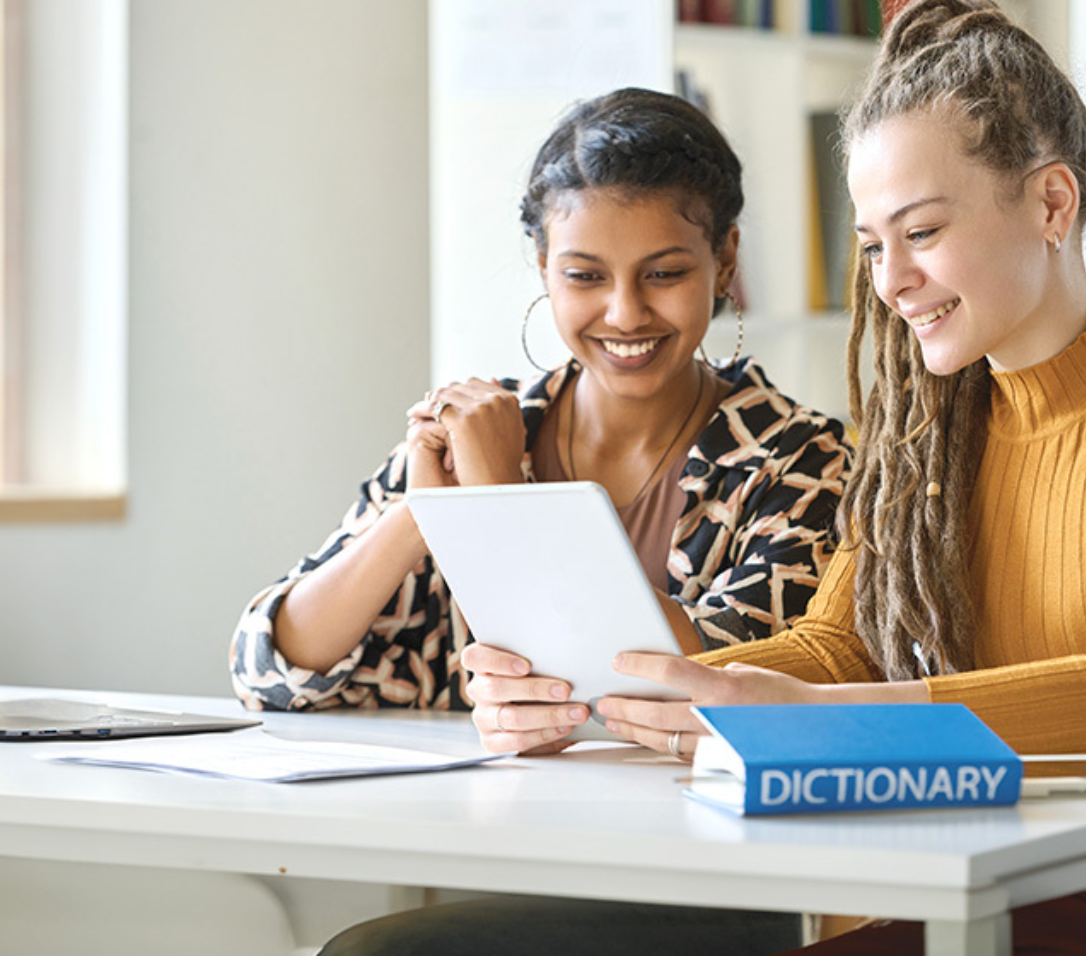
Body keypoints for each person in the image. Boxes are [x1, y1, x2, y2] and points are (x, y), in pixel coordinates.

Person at [462, 2, 1086, 953]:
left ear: (1052, 204)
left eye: (922, 232)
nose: (890, 279)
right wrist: (607, 692)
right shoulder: (921, 436)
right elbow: (837, 650)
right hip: (942, 887)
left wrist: (827, 724)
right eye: (873, 244)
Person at [230, 88, 849, 731]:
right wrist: (430, 512)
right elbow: (267, 671)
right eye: (585, 276)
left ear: (724, 261)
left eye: (663, 274)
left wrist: (498, 505)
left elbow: (712, 682)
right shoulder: (477, 432)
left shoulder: (803, 462)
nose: (625, 313)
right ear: (544, 265)